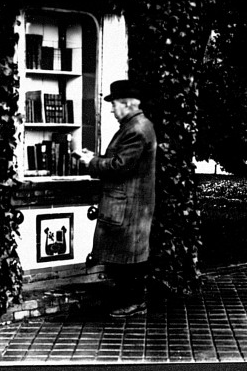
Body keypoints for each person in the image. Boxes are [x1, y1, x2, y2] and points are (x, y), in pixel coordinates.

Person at [75, 79, 156, 318]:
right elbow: (121, 160)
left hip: (128, 204)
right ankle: (132, 301)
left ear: (127, 105)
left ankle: (134, 302)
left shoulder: (135, 130)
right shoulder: (139, 126)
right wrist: (98, 158)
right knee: (127, 255)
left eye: (114, 105)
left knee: (127, 258)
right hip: (133, 204)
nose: (111, 110)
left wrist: (91, 162)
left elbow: (121, 166)